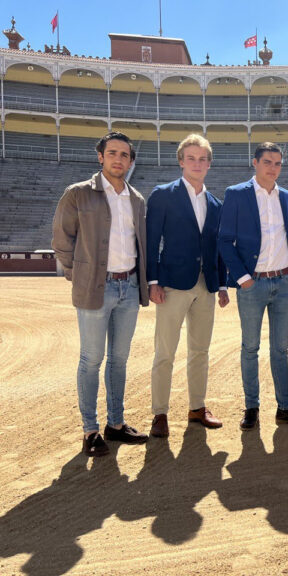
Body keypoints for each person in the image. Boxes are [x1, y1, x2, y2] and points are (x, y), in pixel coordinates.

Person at [52, 131, 149, 457]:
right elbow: (62, 237)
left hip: (129, 286)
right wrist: (73, 271)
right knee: (91, 359)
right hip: (96, 285)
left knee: (119, 360)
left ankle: (116, 424)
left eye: (124, 154)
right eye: (112, 153)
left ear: (131, 161)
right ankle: (90, 430)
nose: (118, 159)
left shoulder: (136, 199)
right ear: (101, 157)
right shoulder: (78, 194)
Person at [218, 142, 288, 429]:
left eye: (277, 163)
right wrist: (242, 279)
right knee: (250, 347)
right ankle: (252, 407)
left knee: (281, 349)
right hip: (253, 284)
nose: (273, 168)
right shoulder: (236, 194)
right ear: (255, 163)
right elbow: (224, 240)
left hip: (284, 283)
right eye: (267, 162)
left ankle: (285, 406)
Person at [145, 134, 230, 438]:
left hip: (206, 286)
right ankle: (160, 413)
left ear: (209, 163)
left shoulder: (216, 204)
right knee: (165, 351)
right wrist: (153, 281)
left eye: (203, 158)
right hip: (173, 285)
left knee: (200, 350)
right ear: (181, 161)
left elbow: (218, 248)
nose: (198, 164)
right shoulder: (162, 195)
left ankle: (197, 407)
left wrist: (221, 286)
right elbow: (152, 241)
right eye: (191, 158)